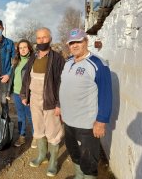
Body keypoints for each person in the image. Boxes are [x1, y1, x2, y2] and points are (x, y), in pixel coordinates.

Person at [59, 28, 112, 179]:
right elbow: (65, 87)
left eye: (78, 42)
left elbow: (106, 94)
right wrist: (62, 108)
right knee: (74, 153)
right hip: (68, 121)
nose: (74, 45)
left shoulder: (98, 64)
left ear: (86, 41)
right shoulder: (68, 62)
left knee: (89, 160)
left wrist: (101, 121)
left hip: (87, 124)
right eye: (71, 43)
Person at [20, 27, 65, 177]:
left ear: (50, 39)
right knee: (38, 128)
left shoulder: (57, 58)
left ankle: (53, 162)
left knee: (53, 130)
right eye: (38, 38)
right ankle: (42, 156)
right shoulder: (34, 57)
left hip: (50, 100)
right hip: (34, 99)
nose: (41, 41)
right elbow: (27, 78)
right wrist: (24, 94)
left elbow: (61, 82)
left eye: (44, 37)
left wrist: (59, 103)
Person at [6, 39, 35, 148]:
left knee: (30, 116)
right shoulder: (16, 61)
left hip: (27, 94)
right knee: (20, 116)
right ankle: (22, 136)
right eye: (20, 48)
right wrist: (9, 92)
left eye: (25, 47)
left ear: (29, 48)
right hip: (16, 93)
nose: (22, 50)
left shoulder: (33, 61)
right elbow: (12, 77)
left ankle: (35, 137)